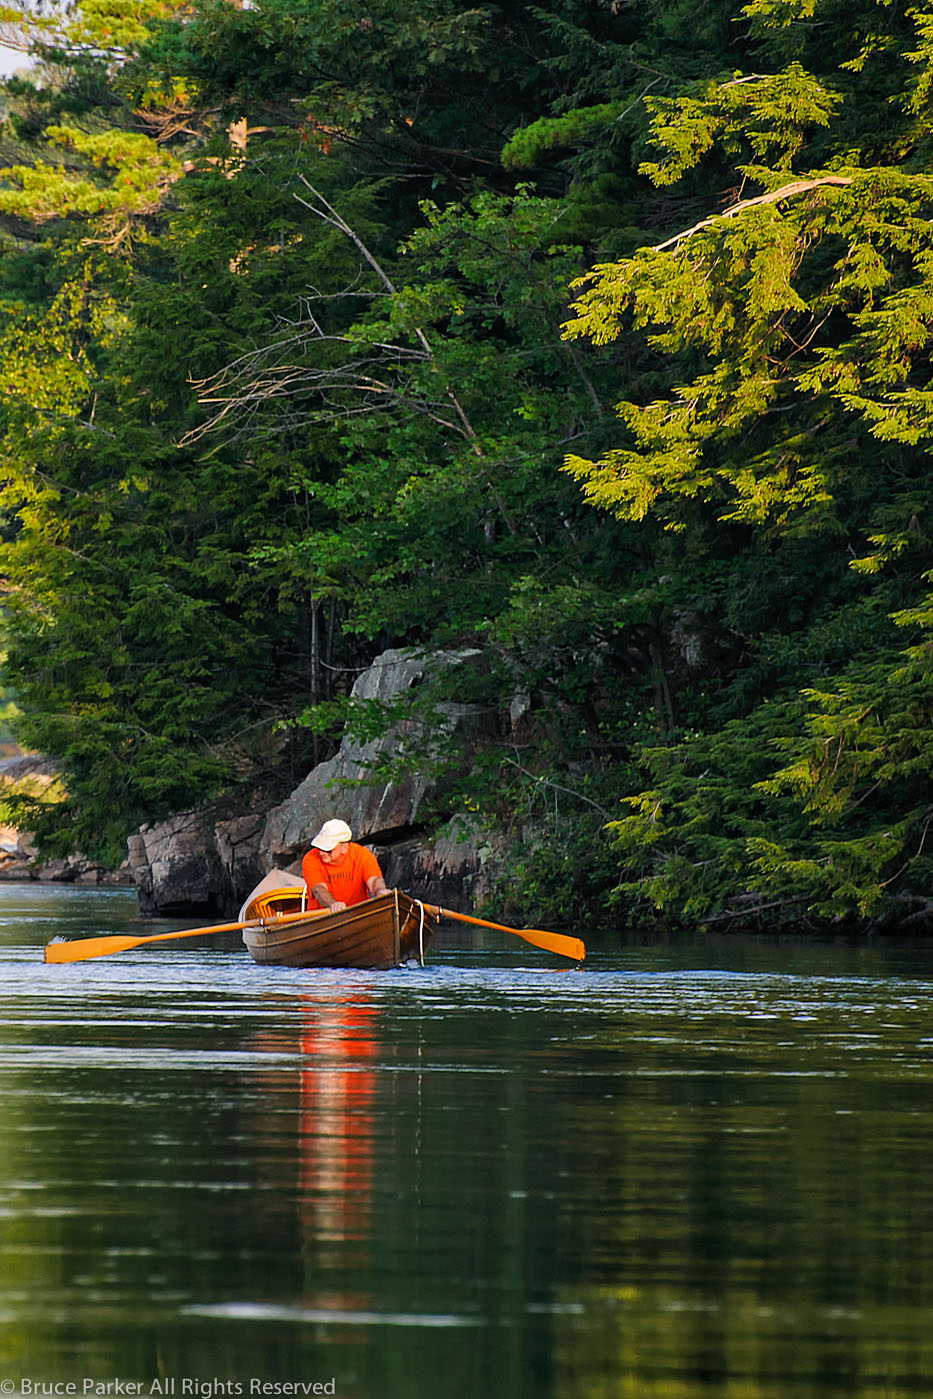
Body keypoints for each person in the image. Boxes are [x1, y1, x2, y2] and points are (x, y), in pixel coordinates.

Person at [301, 819, 390, 912]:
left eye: (328, 850)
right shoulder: (310, 859)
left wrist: (380, 891)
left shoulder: (362, 855)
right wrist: (333, 904)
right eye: (320, 848)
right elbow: (318, 889)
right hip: (323, 918)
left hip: (358, 915)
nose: (322, 853)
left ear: (344, 848)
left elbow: (374, 880)